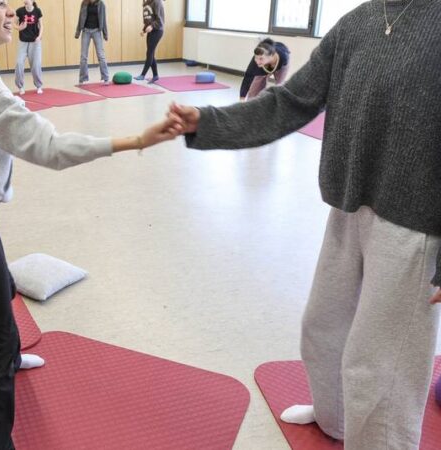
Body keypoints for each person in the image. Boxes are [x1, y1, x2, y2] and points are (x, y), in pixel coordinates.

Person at [168, 2, 441, 448]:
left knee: (381, 364)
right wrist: (210, 122)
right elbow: (293, 101)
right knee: (323, 326)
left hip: (416, 223)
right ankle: (335, 420)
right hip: (350, 205)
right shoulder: (359, 21)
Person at [0, 0, 178, 447]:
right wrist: (134, 139)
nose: (10, 11)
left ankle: (15, 357)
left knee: (1, 286)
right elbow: (50, 148)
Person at [75, 0, 108, 85]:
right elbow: (80, 18)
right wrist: (78, 32)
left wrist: (105, 34)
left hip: (97, 31)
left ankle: (105, 78)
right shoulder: (84, 3)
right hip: (85, 31)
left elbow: (104, 19)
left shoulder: (101, 4)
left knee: (101, 56)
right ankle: (82, 78)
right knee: (83, 57)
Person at [14, 0, 43, 95]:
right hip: (23, 41)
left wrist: (39, 37)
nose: (25, 1)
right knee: (19, 63)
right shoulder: (19, 11)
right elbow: (14, 24)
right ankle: (20, 86)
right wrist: (19, 28)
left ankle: (39, 86)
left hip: (35, 42)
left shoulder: (37, 11)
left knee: (35, 65)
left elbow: (41, 26)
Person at [134, 0, 164, 83]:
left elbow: (159, 20)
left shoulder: (157, 2)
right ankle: (155, 75)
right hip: (151, 31)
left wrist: (152, 26)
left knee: (149, 53)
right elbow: (148, 20)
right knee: (151, 53)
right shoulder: (145, 3)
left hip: (157, 30)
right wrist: (144, 30)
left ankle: (143, 75)